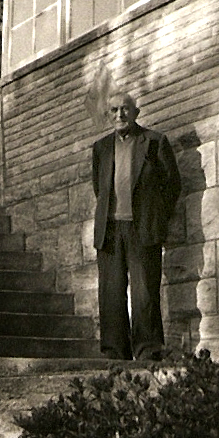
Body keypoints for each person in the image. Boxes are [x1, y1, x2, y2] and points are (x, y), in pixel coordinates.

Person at [92, 91, 181, 361]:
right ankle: (114, 353)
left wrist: (154, 216)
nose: (120, 114)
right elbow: (100, 187)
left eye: (125, 109)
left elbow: (172, 185)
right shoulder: (101, 147)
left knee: (144, 292)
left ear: (136, 112)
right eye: (114, 110)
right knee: (111, 293)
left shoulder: (154, 142)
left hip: (142, 228)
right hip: (110, 230)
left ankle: (148, 351)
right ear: (108, 115)